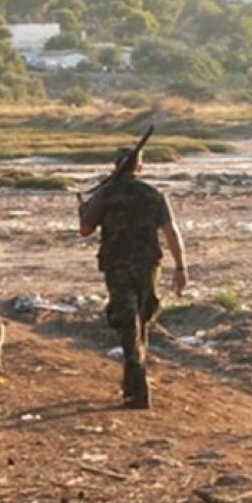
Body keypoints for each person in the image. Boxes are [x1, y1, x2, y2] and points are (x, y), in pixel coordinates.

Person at [78, 147, 188, 409]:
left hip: (118, 266)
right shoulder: (153, 195)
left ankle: (136, 386)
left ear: (115, 167)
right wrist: (181, 268)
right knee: (140, 320)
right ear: (139, 167)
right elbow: (172, 231)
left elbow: (85, 230)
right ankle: (135, 381)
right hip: (149, 265)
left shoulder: (106, 194)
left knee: (128, 323)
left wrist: (83, 210)